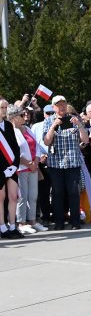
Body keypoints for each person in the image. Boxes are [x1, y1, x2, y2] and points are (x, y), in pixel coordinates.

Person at [43, 95, 89, 230]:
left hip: (72, 162)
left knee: (73, 192)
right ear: (53, 107)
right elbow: (46, 141)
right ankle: (59, 222)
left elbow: (85, 140)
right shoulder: (49, 121)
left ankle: (75, 221)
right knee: (57, 193)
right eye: (58, 105)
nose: (61, 107)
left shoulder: (74, 119)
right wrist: (53, 126)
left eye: (63, 104)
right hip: (56, 163)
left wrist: (79, 125)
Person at [7, 104, 45, 234]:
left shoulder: (27, 129)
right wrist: (28, 163)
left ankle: (32, 221)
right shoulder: (11, 131)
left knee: (33, 196)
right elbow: (14, 151)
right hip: (21, 168)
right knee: (22, 197)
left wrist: (35, 161)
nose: (25, 117)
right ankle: (21, 222)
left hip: (33, 167)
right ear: (13, 117)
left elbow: (37, 146)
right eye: (21, 115)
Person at [1, 101, 24, 239]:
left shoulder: (9, 125)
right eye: (1, 108)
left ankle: (12, 226)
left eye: (5, 107)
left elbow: (15, 147)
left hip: (11, 167)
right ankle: (2, 228)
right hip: (0, 169)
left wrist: (14, 165)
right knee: (1, 198)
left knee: (13, 197)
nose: (4, 110)